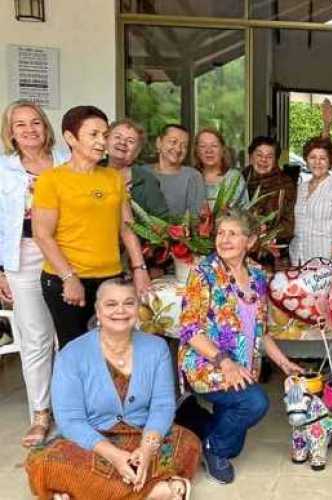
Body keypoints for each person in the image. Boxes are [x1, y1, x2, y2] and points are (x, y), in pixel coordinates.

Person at [26, 278, 201, 500]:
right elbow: (69, 419)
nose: (120, 310)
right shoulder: (72, 354)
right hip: (92, 441)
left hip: (142, 433)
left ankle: (86, 491)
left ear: (138, 309)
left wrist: (147, 449)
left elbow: (162, 406)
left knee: (188, 443)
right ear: (98, 311)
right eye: (111, 304)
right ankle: (157, 491)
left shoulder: (156, 348)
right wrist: (114, 455)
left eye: (129, 303)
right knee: (41, 460)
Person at [178, 209, 303, 484]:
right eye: (220, 233)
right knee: (253, 403)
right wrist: (224, 362)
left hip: (243, 367)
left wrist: (283, 363)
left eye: (233, 233)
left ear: (250, 241)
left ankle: (189, 415)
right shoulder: (203, 272)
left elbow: (261, 330)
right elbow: (190, 329)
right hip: (208, 363)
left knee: (234, 444)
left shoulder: (257, 275)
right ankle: (212, 449)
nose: (224, 239)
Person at [32, 105, 150, 348]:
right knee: (76, 352)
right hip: (67, 280)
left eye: (105, 135)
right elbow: (42, 235)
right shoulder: (51, 180)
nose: (101, 142)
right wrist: (69, 278)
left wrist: (140, 268)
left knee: (115, 348)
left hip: (111, 280)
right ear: (70, 138)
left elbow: (127, 228)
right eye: (93, 134)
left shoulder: (113, 178)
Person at [0, 100, 67, 447]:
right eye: (20, 124)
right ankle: (41, 414)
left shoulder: (66, 163)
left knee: (68, 337)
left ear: (46, 127)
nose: (29, 130)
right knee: (36, 340)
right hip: (22, 259)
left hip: (65, 256)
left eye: (36, 122)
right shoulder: (2, 169)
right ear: (10, 132)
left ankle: (71, 411)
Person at [289, 137, 332, 265]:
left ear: (330, 162)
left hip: (327, 258)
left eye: (322, 158)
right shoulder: (301, 188)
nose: (317, 162)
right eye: (312, 157)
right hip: (300, 256)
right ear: (306, 160)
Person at [242, 136, 296, 265]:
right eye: (259, 155)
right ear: (251, 156)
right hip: (240, 250)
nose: (263, 160)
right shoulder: (240, 179)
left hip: (271, 254)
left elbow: (290, 223)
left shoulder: (285, 184)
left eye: (269, 156)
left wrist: (265, 235)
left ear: (276, 160)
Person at [106, 119, 170, 217]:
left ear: (137, 151)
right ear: (106, 141)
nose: (122, 142)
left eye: (130, 141)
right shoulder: (90, 170)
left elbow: (162, 221)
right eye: (117, 137)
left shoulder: (147, 181)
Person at [145, 124, 206, 217]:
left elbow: (196, 219)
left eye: (184, 146)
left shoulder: (193, 176)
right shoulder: (142, 173)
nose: (178, 149)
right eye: (173, 142)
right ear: (159, 143)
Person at [194, 128, 248, 208]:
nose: (209, 150)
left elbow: (245, 212)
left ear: (222, 149)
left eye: (214, 146)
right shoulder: (190, 177)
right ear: (197, 151)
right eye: (203, 146)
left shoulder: (234, 178)